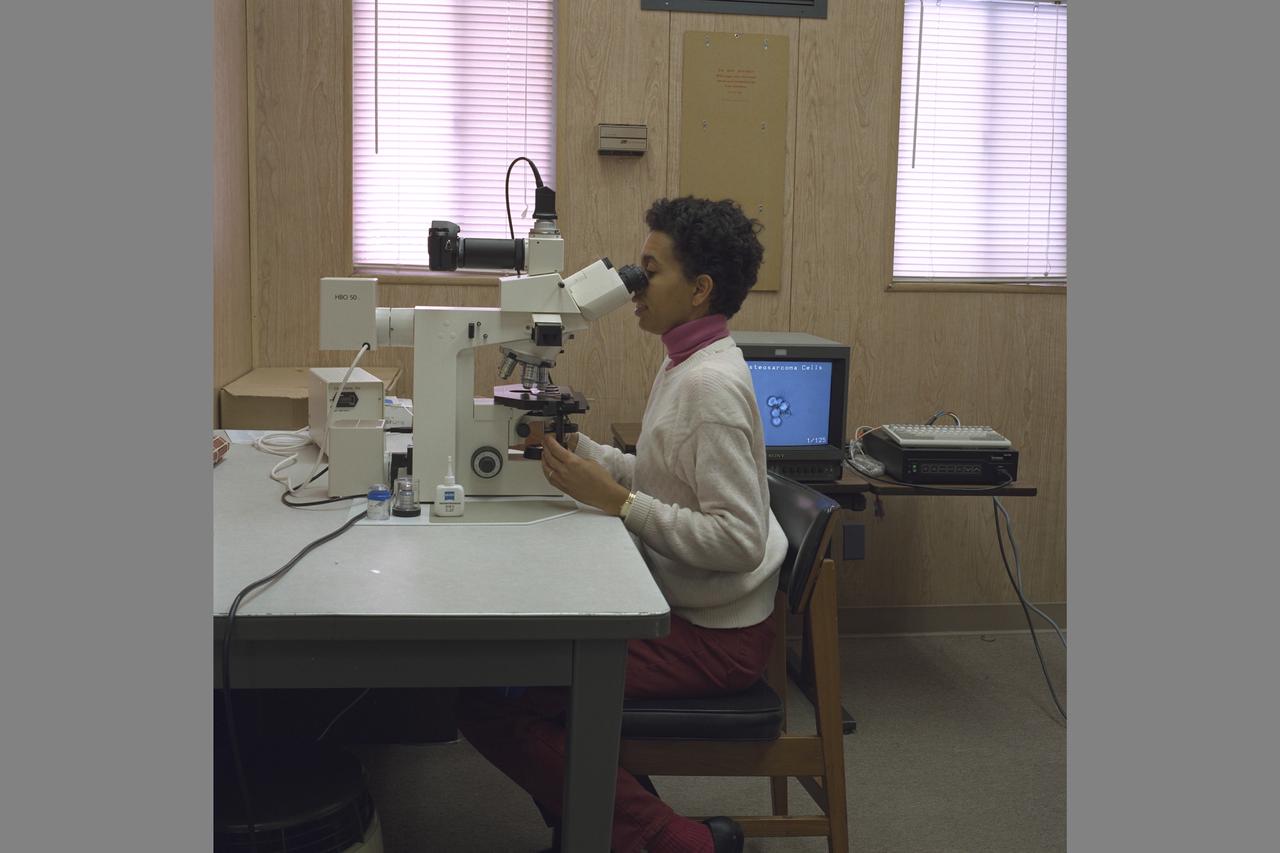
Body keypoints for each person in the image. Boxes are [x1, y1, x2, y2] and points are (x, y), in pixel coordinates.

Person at [457, 196, 786, 853]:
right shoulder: (685, 360)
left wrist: (616, 501)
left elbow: (738, 537)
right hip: (691, 604)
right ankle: (606, 826)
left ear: (699, 290)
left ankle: (669, 839)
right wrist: (582, 453)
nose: (632, 287)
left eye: (647, 270)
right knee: (522, 667)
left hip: (714, 637)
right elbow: (663, 475)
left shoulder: (709, 387)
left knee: (495, 692)